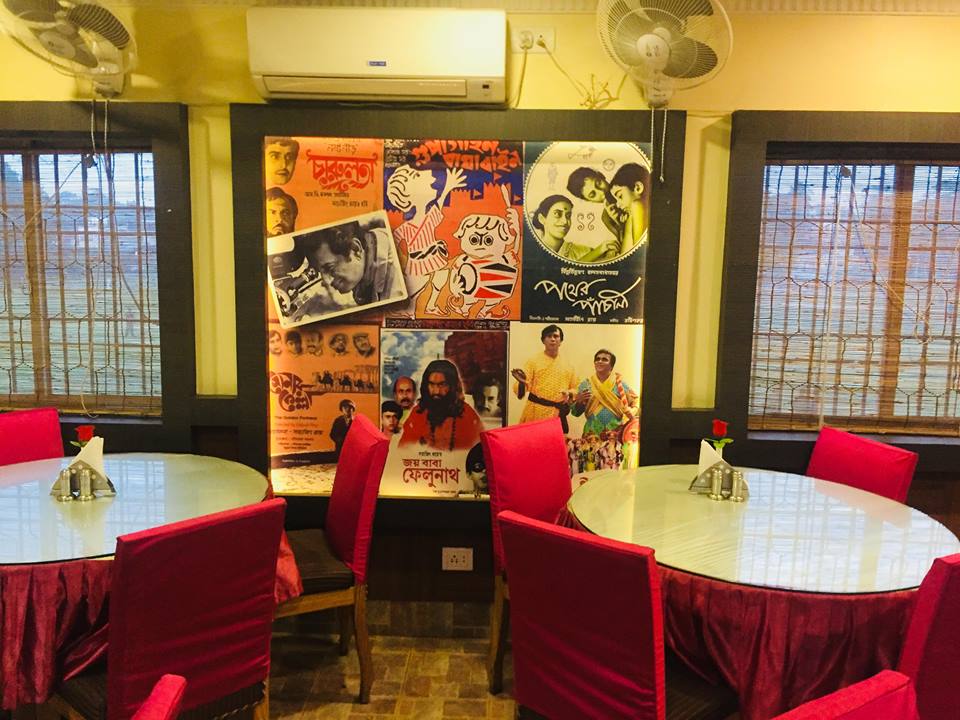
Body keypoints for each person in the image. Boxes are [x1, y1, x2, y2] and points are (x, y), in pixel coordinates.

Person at [386, 164, 466, 315]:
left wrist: (447, 188)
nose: (431, 179)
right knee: (415, 289)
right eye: (416, 176)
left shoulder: (429, 217)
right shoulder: (406, 227)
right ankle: (407, 311)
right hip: (417, 263)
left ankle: (431, 305)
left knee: (441, 274)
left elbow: (439, 205)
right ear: (408, 196)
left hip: (433, 256)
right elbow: (392, 241)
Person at [300, 219, 403, 308]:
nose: (327, 281)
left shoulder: (396, 285)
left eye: (330, 268)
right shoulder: (373, 249)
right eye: (320, 272)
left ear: (355, 248)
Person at [399, 359, 484, 451]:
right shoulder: (418, 413)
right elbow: (404, 450)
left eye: (442, 385)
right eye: (431, 384)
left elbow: (479, 451)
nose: (436, 391)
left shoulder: (467, 414)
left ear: (452, 386)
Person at [511, 324, 578, 432]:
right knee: (533, 441)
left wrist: (569, 393)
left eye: (556, 336)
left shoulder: (568, 365)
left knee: (554, 442)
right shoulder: (533, 361)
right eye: (549, 336)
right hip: (536, 412)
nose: (552, 339)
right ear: (543, 340)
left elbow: (576, 388)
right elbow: (521, 389)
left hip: (557, 414)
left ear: (561, 341)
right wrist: (522, 383)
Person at [570, 349, 638, 438]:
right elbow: (575, 413)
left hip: (614, 434)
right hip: (591, 435)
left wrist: (632, 411)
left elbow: (636, 401)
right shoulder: (585, 385)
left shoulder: (620, 384)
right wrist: (579, 402)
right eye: (597, 359)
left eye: (604, 359)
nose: (600, 361)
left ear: (611, 366)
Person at [566, 166, 622, 254]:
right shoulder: (606, 218)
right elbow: (624, 245)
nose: (602, 192)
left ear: (601, 175)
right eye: (593, 195)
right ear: (589, 200)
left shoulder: (625, 184)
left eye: (598, 183)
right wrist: (618, 223)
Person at [608, 162, 650, 254]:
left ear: (637, 188)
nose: (618, 205)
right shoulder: (631, 213)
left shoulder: (636, 205)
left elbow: (639, 251)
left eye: (620, 196)